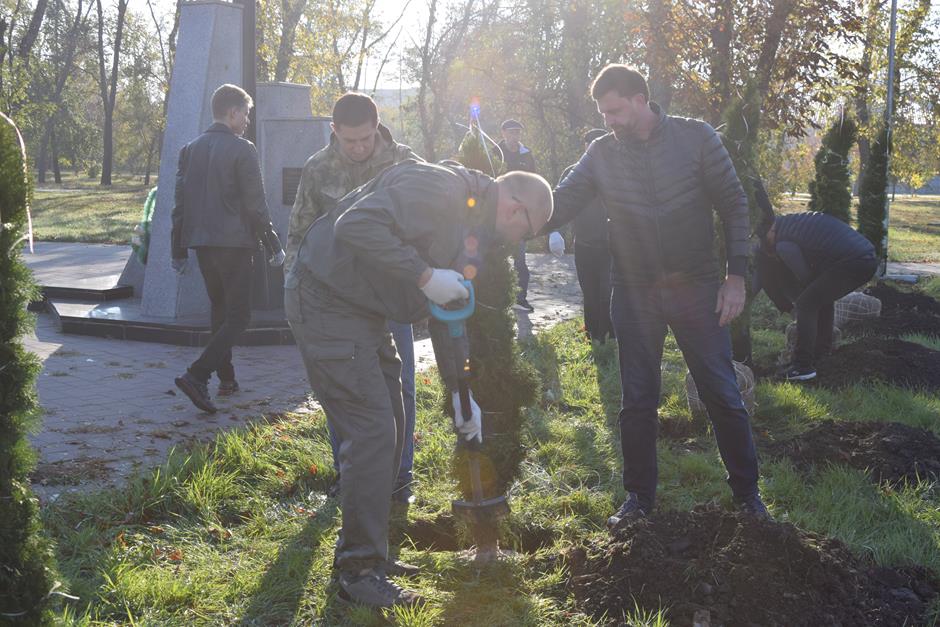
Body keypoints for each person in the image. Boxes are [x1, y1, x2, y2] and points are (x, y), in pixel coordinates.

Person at [286, 159, 552, 607]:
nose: (517, 242)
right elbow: (355, 224)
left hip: (361, 309)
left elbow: (451, 312)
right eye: (524, 232)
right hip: (325, 300)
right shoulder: (440, 190)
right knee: (372, 432)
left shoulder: (471, 224)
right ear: (515, 208)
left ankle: (369, 552)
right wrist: (425, 276)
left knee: (393, 422)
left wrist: (461, 395)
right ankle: (358, 573)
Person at [546, 64, 767, 524]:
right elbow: (561, 201)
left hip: (696, 286)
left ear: (640, 99)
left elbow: (734, 204)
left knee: (721, 391)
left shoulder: (696, 138)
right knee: (637, 398)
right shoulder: (601, 153)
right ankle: (638, 499)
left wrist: (736, 277)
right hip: (634, 289)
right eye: (603, 114)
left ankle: (748, 495)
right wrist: (516, 209)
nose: (609, 121)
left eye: (615, 111)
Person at [286, 92, 421, 503]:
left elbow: (428, 226)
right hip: (338, 298)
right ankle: (350, 475)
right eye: (350, 141)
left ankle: (399, 476)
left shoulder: (405, 163)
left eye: (366, 138)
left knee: (401, 384)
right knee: (342, 386)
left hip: (392, 291)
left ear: (377, 126)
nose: (359, 148)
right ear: (334, 131)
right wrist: (294, 294)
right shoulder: (317, 168)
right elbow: (300, 232)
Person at [171, 83, 284, 414]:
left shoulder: (189, 150)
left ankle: (227, 379)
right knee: (239, 317)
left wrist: (177, 250)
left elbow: (180, 207)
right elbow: (255, 204)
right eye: (246, 114)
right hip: (235, 245)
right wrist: (273, 243)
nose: (247, 121)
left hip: (202, 245)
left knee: (220, 311)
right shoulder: (243, 149)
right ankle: (197, 375)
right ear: (232, 113)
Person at [752, 181, 877, 381]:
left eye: (765, 240)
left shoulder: (783, 243)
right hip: (865, 257)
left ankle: (802, 366)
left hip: (853, 261)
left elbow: (805, 277)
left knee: (806, 303)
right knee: (820, 300)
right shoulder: (791, 223)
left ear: (770, 231)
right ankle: (822, 355)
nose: (767, 246)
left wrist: (798, 302)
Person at [559, 128, 614, 343]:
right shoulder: (573, 172)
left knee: (607, 292)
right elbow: (560, 202)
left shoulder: (616, 172)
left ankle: (610, 336)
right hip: (583, 243)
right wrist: (555, 232)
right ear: (585, 147)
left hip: (611, 245)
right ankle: (592, 336)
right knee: (589, 292)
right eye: (589, 145)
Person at [498, 118, 538, 312]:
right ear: (503, 133)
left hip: (519, 215)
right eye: (512, 132)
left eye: (518, 132)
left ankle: (520, 299)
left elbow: (535, 182)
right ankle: (499, 300)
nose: (515, 136)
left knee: (520, 259)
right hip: (497, 214)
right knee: (496, 258)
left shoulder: (526, 154)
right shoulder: (495, 152)